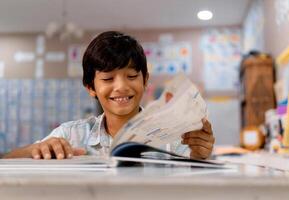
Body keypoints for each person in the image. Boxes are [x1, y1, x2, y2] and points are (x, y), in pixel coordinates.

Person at [3, 31, 214, 160]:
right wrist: (35, 149)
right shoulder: (70, 135)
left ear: (145, 80)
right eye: (107, 79)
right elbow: (7, 160)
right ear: (90, 87)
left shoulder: (177, 137)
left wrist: (200, 155)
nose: (121, 87)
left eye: (131, 75)